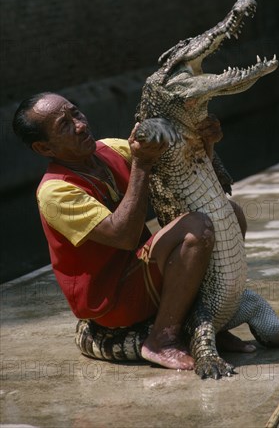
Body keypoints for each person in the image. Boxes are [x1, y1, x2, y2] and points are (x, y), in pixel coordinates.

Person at [12, 92, 253, 370]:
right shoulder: (55, 191)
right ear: (44, 149)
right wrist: (141, 163)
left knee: (229, 213)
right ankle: (162, 339)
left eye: (75, 113)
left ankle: (210, 327)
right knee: (196, 227)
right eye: (64, 125)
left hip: (142, 272)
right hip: (111, 299)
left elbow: (187, 173)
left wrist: (204, 143)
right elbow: (124, 237)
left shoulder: (112, 149)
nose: (80, 125)